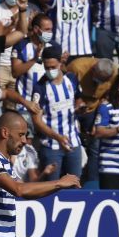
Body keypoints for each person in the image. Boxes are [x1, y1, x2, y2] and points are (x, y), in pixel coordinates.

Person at [31, 46, 82, 180]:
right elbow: (36, 120)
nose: (50, 71)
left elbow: (79, 98)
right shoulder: (40, 87)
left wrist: (79, 107)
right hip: (51, 145)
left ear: (60, 63)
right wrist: (57, 137)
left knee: (75, 183)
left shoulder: (71, 79)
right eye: (47, 67)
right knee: (51, 185)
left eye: (53, 67)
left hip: (73, 142)